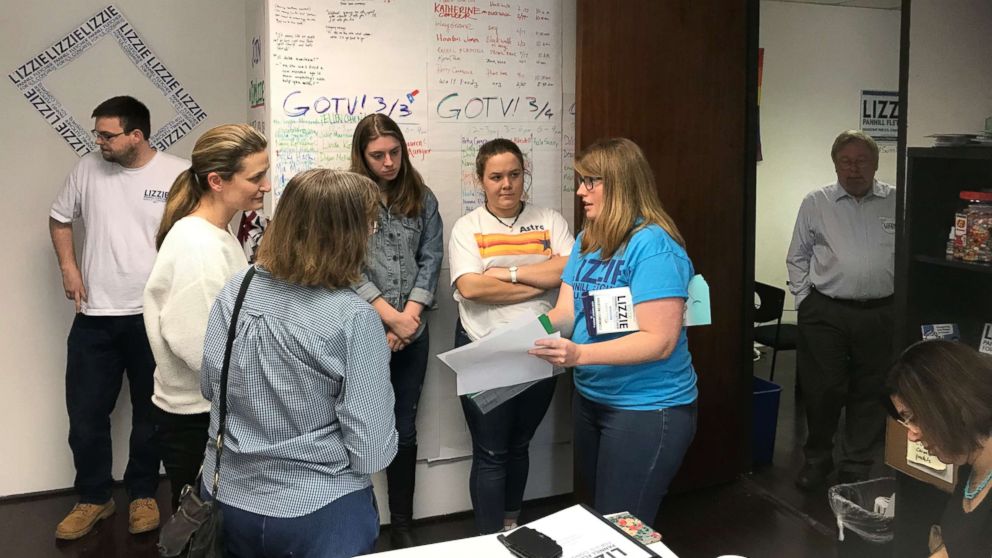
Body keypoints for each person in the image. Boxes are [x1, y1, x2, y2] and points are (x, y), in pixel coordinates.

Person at [199, 169, 398, 558]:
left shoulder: (238, 288)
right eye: (368, 224)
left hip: (228, 496)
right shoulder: (353, 317)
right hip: (319, 511)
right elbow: (371, 448)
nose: (372, 232)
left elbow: (210, 385)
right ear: (344, 235)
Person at [529, 137, 697, 525]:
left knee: (625, 524)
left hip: (647, 407)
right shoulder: (590, 238)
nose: (580, 191)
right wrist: (521, 334)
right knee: (600, 516)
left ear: (620, 183)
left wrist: (579, 355)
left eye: (591, 181)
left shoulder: (654, 245)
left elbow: (660, 341)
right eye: (580, 180)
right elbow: (565, 313)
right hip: (592, 398)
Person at [49, 96, 190, 540]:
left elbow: (199, 232)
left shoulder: (177, 173)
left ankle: (144, 494)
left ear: (137, 135)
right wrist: (69, 268)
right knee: (86, 415)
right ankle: (94, 497)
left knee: (151, 414)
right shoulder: (86, 170)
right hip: (95, 316)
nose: (99, 141)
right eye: (97, 133)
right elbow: (59, 219)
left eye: (107, 134)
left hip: (153, 316)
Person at [449, 138, 574, 534]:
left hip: (539, 346)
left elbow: (569, 271)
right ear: (480, 180)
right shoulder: (468, 227)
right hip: (483, 347)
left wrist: (507, 274)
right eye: (496, 177)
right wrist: (540, 283)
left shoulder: (550, 219)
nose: (507, 185)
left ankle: (511, 525)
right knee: (490, 451)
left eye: (515, 175)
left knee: (520, 445)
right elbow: (471, 288)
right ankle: (489, 541)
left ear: (525, 175)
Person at [143, 124, 269, 511]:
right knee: (203, 535)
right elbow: (201, 349)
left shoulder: (218, 232)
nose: (265, 185)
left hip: (209, 410)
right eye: (256, 177)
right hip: (197, 419)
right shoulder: (196, 245)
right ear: (217, 180)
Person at [349, 113, 443, 547]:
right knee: (359, 427)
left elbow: (431, 258)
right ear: (362, 157)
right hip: (364, 332)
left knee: (404, 428)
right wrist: (392, 316)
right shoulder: (349, 199)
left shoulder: (422, 198)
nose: (388, 162)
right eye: (377, 156)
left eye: (394, 152)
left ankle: (403, 525)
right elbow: (346, 266)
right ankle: (360, 522)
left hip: (413, 333)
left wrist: (410, 318)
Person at [786, 130, 895, 489]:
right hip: (827, 312)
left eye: (861, 161)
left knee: (872, 389)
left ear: (875, 164)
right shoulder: (815, 202)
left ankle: (856, 463)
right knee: (824, 389)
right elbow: (798, 256)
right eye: (846, 161)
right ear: (835, 164)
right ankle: (817, 460)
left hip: (881, 312)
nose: (853, 169)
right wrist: (805, 302)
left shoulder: (897, 201)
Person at [887, 340, 992, 558]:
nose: (912, 435)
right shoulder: (970, 457)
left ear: (949, 404)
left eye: (913, 418)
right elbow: (963, 544)